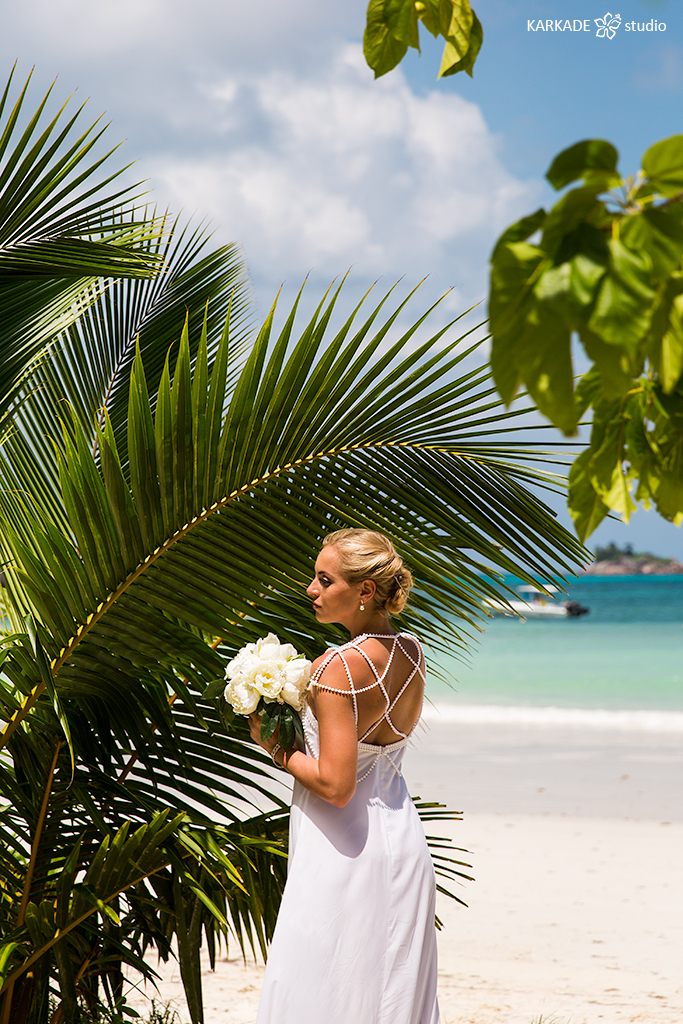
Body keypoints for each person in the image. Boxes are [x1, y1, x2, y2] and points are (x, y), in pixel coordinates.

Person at [250, 528, 440, 1024]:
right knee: (390, 993)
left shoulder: (336, 667)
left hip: (342, 851)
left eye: (323, 579)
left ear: (365, 591)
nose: (310, 589)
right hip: (403, 841)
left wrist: (273, 745)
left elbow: (337, 785)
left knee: (320, 991)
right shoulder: (413, 653)